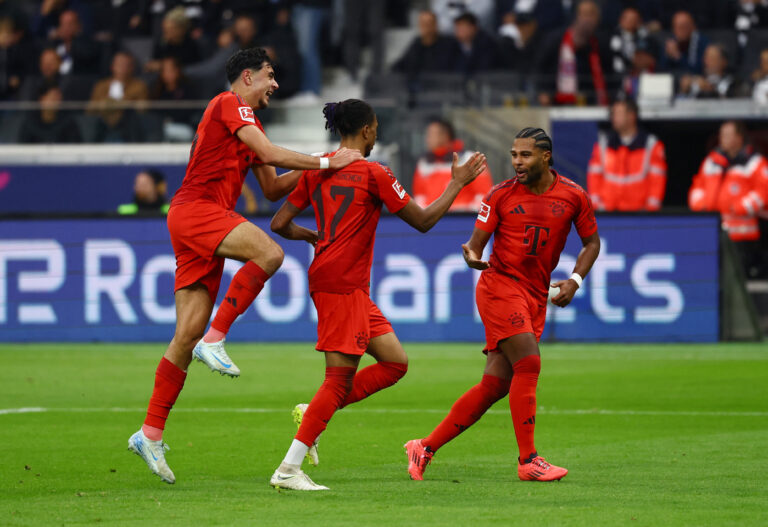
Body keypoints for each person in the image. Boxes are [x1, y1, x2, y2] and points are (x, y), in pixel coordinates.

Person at [127, 47, 363, 485]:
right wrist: (329, 161)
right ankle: (217, 339)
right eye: (270, 75)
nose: (275, 84)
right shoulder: (227, 103)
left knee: (184, 335)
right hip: (197, 210)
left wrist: (320, 170)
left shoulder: (247, 125)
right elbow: (270, 152)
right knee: (270, 253)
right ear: (248, 76)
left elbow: (272, 188)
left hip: (197, 223)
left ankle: (150, 433)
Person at [268, 99, 486, 491]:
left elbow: (280, 222)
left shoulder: (319, 167)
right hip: (343, 283)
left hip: (334, 278)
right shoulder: (373, 172)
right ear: (367, 129)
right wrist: (456, 183)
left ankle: (315, 413)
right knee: (337, 380)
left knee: (394, 362)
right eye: (376, 126)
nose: (377, 133)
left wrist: (313, 236)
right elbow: (422, 221)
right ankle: (288, 469)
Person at [404, 127, 600, 482]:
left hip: (535, 294)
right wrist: (471, 255)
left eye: (524, 155)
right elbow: (475, 244)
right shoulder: (499, 195)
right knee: (529, 361)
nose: (516, 162)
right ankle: (529, 461)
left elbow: (591, 243)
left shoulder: (574, 195)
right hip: (499, 287)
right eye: (513, 154)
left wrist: (575, 280)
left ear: (545, 156)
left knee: (495, 386)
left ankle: (424, 447)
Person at [688, 121, 768, 278]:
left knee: (740, 277)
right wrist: (699, 204)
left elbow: (764, 190)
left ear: (739, 138)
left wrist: (743, 206)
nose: (723, 138)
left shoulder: (754, 162)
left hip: (744, 236)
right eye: (721, 135)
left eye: (727, 135)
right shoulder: (712, 161)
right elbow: (697, 186)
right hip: (713, 232)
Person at [586, 99, 667, 211]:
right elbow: (594, 177)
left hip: (638, 215)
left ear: (631, 116)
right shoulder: (603, 144)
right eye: (613, 113)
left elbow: (657, 181)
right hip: (608, 213)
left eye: (618, 113)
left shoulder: (651, 145)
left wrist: (650, 211)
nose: (614, 118)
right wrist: (597, 206)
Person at [536, 0, 613, 106]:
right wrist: (543, 91)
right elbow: (539, 68)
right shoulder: (556, 40)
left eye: (592, 15)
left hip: (592, 104)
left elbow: (609, 74)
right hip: (558, 103)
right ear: (576, 17)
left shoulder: (602, 44)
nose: (588, 20)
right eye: (585, 14)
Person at [413, 118, 493, 211]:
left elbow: (484, 195)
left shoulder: (470, 159)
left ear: (444, 136)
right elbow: (419, 197)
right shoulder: (424, 163)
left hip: (463, 221)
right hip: (433, 222)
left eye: (431, 135)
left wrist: (466, 215)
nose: (427, 139)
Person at [86, 51, 148, 143]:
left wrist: (119, 103)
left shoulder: (139, 86)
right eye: (119, 64)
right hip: (101, 129)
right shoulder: (101, 86)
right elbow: (90, 110)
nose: (122, 68)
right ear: (112, 66)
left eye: (125, 64)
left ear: (132, 68)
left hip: (128, 130)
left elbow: (142, 110)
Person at [391, 10, 458, 77]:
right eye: (423, 24)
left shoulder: (449, 44)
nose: (426, 27)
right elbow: (400, 65)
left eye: (429, 23)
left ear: (435, 25)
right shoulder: (416, 44)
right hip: (420, 85)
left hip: (442, 85)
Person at [678, 44, 746, 99]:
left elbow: (735, 105)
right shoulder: (696, 80)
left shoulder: (734, 83)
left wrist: (710, 89)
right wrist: (684, 91)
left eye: (712, 58)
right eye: (706, 58)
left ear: (724, 62)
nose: (707, 62)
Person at [17, 85, 82, 143]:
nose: (57, 102)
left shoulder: (68, 122)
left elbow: (76, 146)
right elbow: (22, 147)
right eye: (53, 98)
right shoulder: (30, 122)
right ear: (42, 99)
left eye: (59, 99)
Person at [659, 11, 708, 75]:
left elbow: (698, 70)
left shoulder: (702, 42)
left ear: (693, 27)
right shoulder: (671, 42)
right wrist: (667, 56)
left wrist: (678, 56)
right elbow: (662, 70)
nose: (680, 30)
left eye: (684, 27)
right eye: (677, 27)